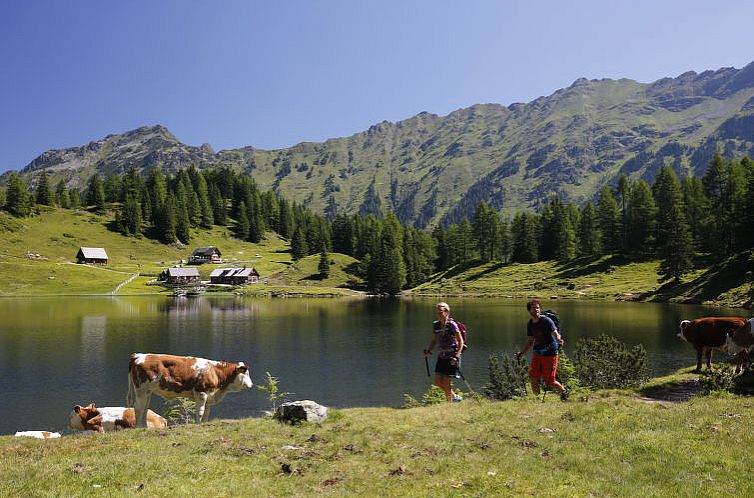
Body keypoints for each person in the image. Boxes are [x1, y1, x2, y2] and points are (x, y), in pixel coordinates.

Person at [516, 300, 569, 401]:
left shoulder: (546, 321)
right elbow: (530, 341)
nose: (536, 310)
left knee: (550, 381)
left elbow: (555, 332)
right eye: (533, 308)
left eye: (537, 308)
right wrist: (522, 353)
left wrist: (558, 339)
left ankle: (563, 391)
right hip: (537, 353)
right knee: (532, 377)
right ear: (529, 310)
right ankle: (537, 399)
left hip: (550, 354)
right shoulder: (530, 324)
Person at [424, 302, 465, 402]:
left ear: (446, 312)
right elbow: (434, 340)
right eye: (437, 312)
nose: (438, 314)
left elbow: (461, 341)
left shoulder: (451, 324)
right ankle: (456, 397)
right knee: (438, 383)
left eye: (440, 312)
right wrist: (428, 351)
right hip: (441, 356)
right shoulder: (436, 325)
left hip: (452, 356)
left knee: (446, 382)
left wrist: (456, 356)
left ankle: (449, 404)